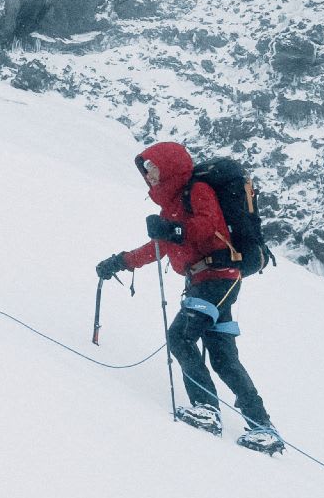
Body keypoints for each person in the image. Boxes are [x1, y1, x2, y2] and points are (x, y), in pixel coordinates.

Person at [95, 141, 282, 453]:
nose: (149, 174)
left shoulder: (196, 190)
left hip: (217, 278)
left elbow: (208, 224)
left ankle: (206, 409)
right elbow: (159, 248)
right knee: (223, 358)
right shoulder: (171, 206)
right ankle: (263, 427)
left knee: (180, 337)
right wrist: (120, 262)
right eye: (146, 170)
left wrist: (172, 230)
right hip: (208, 281)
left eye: (153, 167)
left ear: (168, 166)